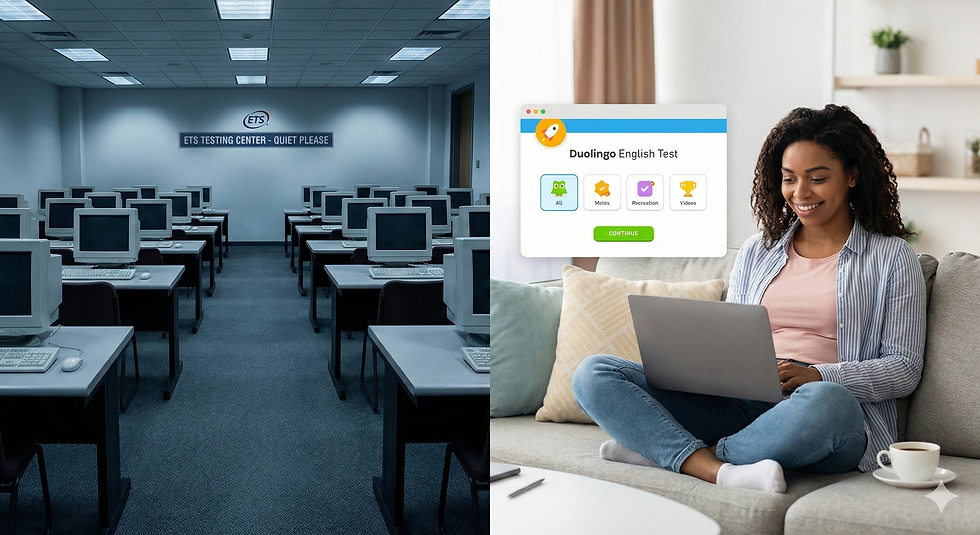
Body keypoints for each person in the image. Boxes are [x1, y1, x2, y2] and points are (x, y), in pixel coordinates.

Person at [571, 104, 927, 493]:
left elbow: (904, 368)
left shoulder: (892, 257)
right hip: (739, 402)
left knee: (828, 401)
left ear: (853, 175)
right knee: (594, 373)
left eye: (817, 178)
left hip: (818, 410)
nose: (800, 193)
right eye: (789, 179)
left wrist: (818, 374)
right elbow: (731, 337)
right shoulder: (758, 250)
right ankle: (713, 465)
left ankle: (678, 454)